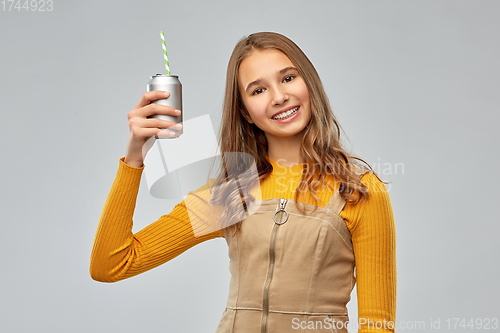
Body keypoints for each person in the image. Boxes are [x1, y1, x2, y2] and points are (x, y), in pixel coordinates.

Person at [90, 32, 396, 333]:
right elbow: (111, 264)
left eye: (288, 78)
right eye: (258, 90)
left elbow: (377, 325)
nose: (279, 97)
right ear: (245, 112)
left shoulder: (358, 191)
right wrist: (134, 158)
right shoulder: (231, 193)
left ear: (310, 84)